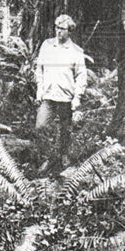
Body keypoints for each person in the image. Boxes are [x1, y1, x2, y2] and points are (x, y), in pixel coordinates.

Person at [33, 14, 87, 173]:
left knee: (65, 129)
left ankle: (63, 156)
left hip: (66, 98)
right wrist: (39, 91)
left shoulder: (76, 51)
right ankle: (47, 157)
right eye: (57, 27)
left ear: (69, 30)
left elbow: (81, 76)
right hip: (48, 96)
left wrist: (77, 97)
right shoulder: (47, 46)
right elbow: (39, 70)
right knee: (41, 127)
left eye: (62, 29)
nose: (58, 32)